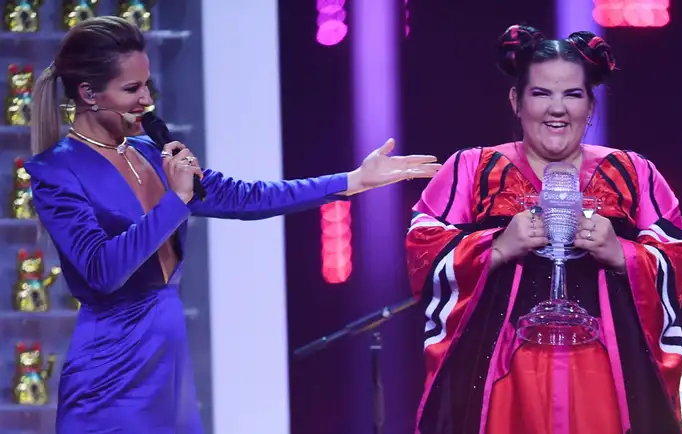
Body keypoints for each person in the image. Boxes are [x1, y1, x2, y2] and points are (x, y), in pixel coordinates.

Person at [26, 16, 440, 434]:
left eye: (147, 86)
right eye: (132, 89)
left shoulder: (149, 153)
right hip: (108, 371)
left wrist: (353, 181)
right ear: (89, 94)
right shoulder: (56, 171)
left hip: (168, 364)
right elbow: (101, 271)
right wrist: (176, 200)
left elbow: (248, 197)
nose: (146, 100)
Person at [405, 24, 682, 434]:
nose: (556, 108)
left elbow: (679, 256)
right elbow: (422, 249)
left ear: (590, 106)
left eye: (573, 94)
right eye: (541, 93)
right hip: (501, 382)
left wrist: (624, 255)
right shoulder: (471, 169)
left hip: (606, 380)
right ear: (516, 100)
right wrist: (496, 247)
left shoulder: (633, 173)